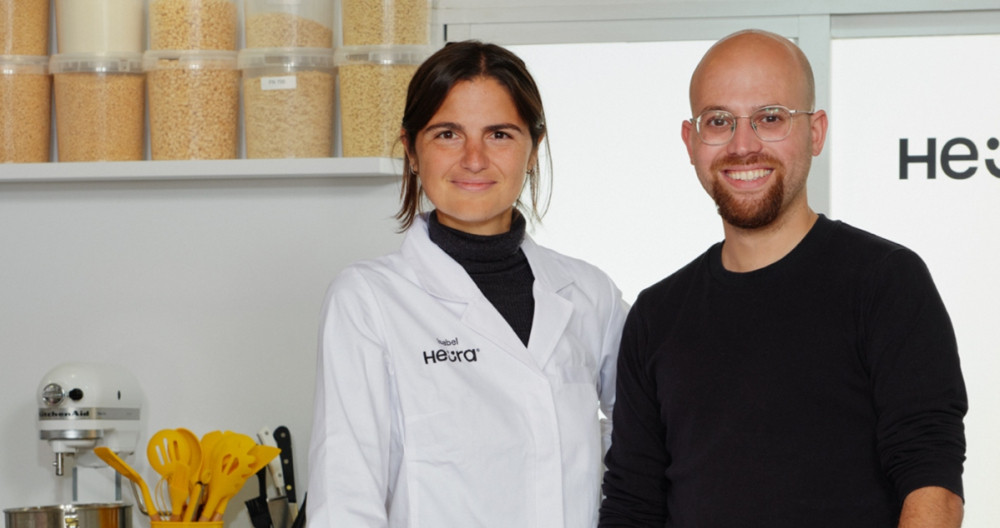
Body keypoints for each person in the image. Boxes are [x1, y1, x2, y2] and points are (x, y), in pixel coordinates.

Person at [599, 29, 967, 528]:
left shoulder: (885, 283)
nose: (743, 145)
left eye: (770, 118)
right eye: (719, 121)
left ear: (815, 132)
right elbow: (632, 507)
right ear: (692, 141)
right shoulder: (656, 316)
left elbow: (932, 488)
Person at [307, 40, 628, 527]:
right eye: (447, 134)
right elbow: (346, 496)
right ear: (412, 150)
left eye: (499, 134)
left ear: (532, 150)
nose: (474, 159)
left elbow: (644, 450)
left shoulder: (588, 294)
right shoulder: (368, 300)